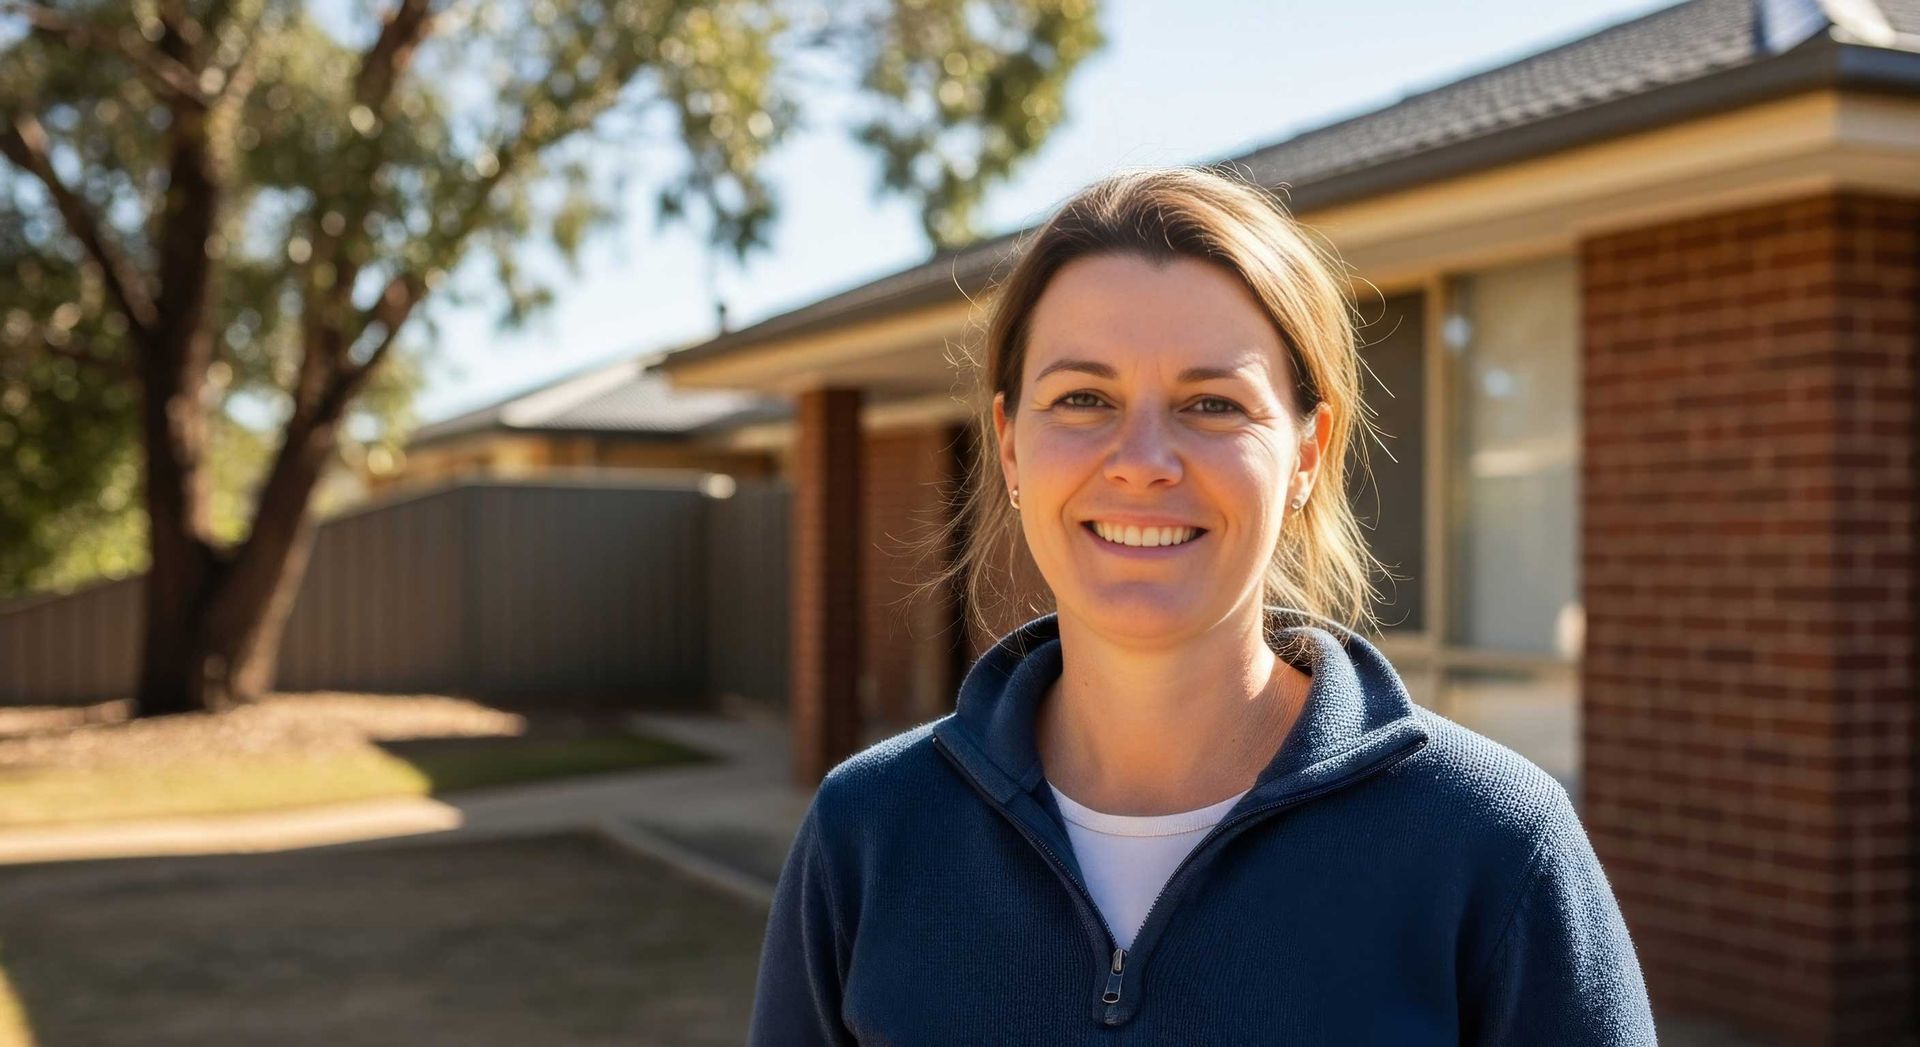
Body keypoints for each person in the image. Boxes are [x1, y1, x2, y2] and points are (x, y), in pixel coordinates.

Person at [747, 165, 1656, 1045]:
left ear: (1306, 455)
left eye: (1214, 403)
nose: (1143, 461)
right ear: (1011, 446)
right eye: (1083, 398)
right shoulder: (868, 832)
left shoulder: (1492, 843)